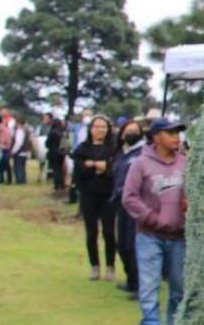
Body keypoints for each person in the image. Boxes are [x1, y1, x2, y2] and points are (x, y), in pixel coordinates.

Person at [122, 118, 188, 325]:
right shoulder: (141, 164)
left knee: (179, 287)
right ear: (156, 136)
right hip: (149, 237)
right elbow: (129, 198)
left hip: (179, 237)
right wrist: (152, 218)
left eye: (178, 133)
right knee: (149, 287)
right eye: (171, 133)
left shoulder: (185, 163)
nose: (176, 137)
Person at [71, 114, 117, 281]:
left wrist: (96, 165)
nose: (101, 130)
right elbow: (79, 172)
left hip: (108, 196)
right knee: (91, 233)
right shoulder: (82, 149)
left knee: (109, 232)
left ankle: (110, 265)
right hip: (88, 196)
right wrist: (99, 167)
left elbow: (114, 169)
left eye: (104, 127)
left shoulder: (113, 148)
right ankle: (94, 265)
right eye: (97, 127)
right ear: (91, 129)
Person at [111, 120, 145, 298]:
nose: (131, 134)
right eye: (128, 131)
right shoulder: (120, 153)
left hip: (136, 204)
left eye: (135, 131)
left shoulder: (143, 153)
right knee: (122, 244)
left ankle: (140, 285)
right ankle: (131, 280)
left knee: (133, 245)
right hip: (120, 203)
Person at [44, 115, 66, 191]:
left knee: (56, 170)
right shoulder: (62, 132)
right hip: (61, 153)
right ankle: (62, 184)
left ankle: (56, 185)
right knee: (60, 169)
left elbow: (47, 143)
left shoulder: (52, 133)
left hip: (53, 153)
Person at [11, 116, 33, 185]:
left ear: (18, 122)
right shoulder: (27, 130)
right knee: (23, 167)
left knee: (18, 167)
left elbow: (18, 143)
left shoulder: (20, 130)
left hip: (20, 151)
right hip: (26, 151)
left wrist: (13, 151)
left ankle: (19, 181)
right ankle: (23, 180)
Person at [0, 114, 13, 185]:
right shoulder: (6, 129)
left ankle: (0, 179)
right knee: (7, 165)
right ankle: (9, 179)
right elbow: (9, 140)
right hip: (6, 148)